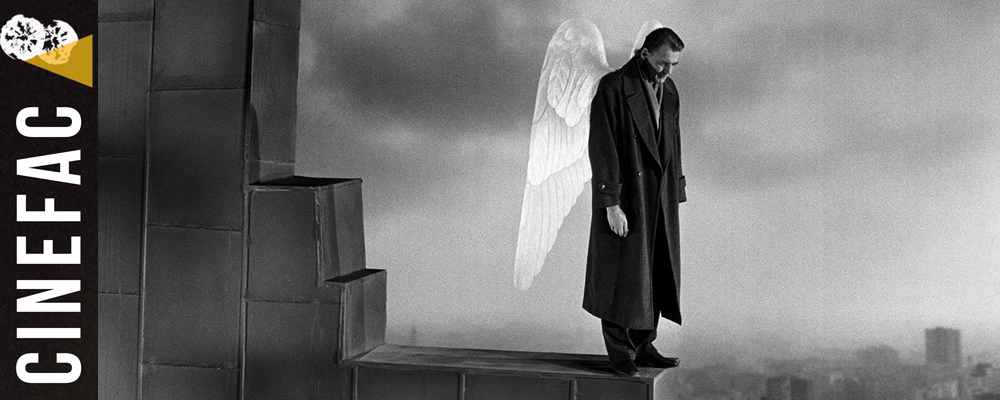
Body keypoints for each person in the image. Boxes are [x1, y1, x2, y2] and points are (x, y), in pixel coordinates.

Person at [583, 27, 687, 377]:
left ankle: (644, 346)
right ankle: (620, 352)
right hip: (628, 196)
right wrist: (610, 203)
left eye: (673, 65)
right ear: (644, 53)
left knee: (655, 271)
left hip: (660, 197)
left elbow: (674, 142)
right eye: (662, 63)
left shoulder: (670, 91)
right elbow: (603, 147)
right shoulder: (613, 87)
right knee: (620, 274)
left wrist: (676, 191)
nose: (667, 71)